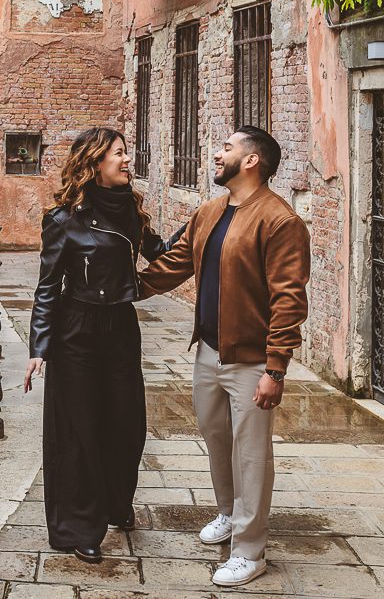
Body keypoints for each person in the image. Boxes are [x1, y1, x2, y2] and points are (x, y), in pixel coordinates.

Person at [138, 125, 309, 588]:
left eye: (227, 148)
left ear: (252, 161)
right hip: (208, 352)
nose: (217, 154)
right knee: (217, 440)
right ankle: (230, 515)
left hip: (252, 359)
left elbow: (289, 298)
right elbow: (175, 263)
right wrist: (124, 289)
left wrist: (276, 367)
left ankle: (250, 552)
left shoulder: (280, 221)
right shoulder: (212, 210)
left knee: (250, 454)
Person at [22, 127, 177, 564]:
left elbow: (160, 253)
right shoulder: (63, 219)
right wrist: (39, 347)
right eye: (120, 154)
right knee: (79, 431)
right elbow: (47, 287)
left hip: (121, 327)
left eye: (126, 153)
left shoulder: (129, 208)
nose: (128, 160)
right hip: (77, 330)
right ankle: (79, 527)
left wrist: (201, 229)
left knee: (128, 424)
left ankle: (114, 502)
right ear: (95, 164)